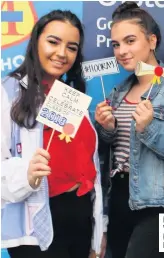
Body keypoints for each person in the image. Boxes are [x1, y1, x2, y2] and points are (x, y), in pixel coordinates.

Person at [94, 2, 164, 258]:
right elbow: (115, 152)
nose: (122, 51)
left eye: (130, 40)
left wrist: (151, 129)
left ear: (152, 41)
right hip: (121, 202)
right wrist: (107, 130)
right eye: (116, 44)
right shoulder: (117, 93)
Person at [1, 10, 105, 258]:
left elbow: (87, 164)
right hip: (38, 221)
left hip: (80, 218)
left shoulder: (67, 95)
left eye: (71, 47)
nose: (62, 54)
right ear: (36, 40)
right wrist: (26, 174)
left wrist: (98, 231)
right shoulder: (7, 93)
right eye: (53, 42)